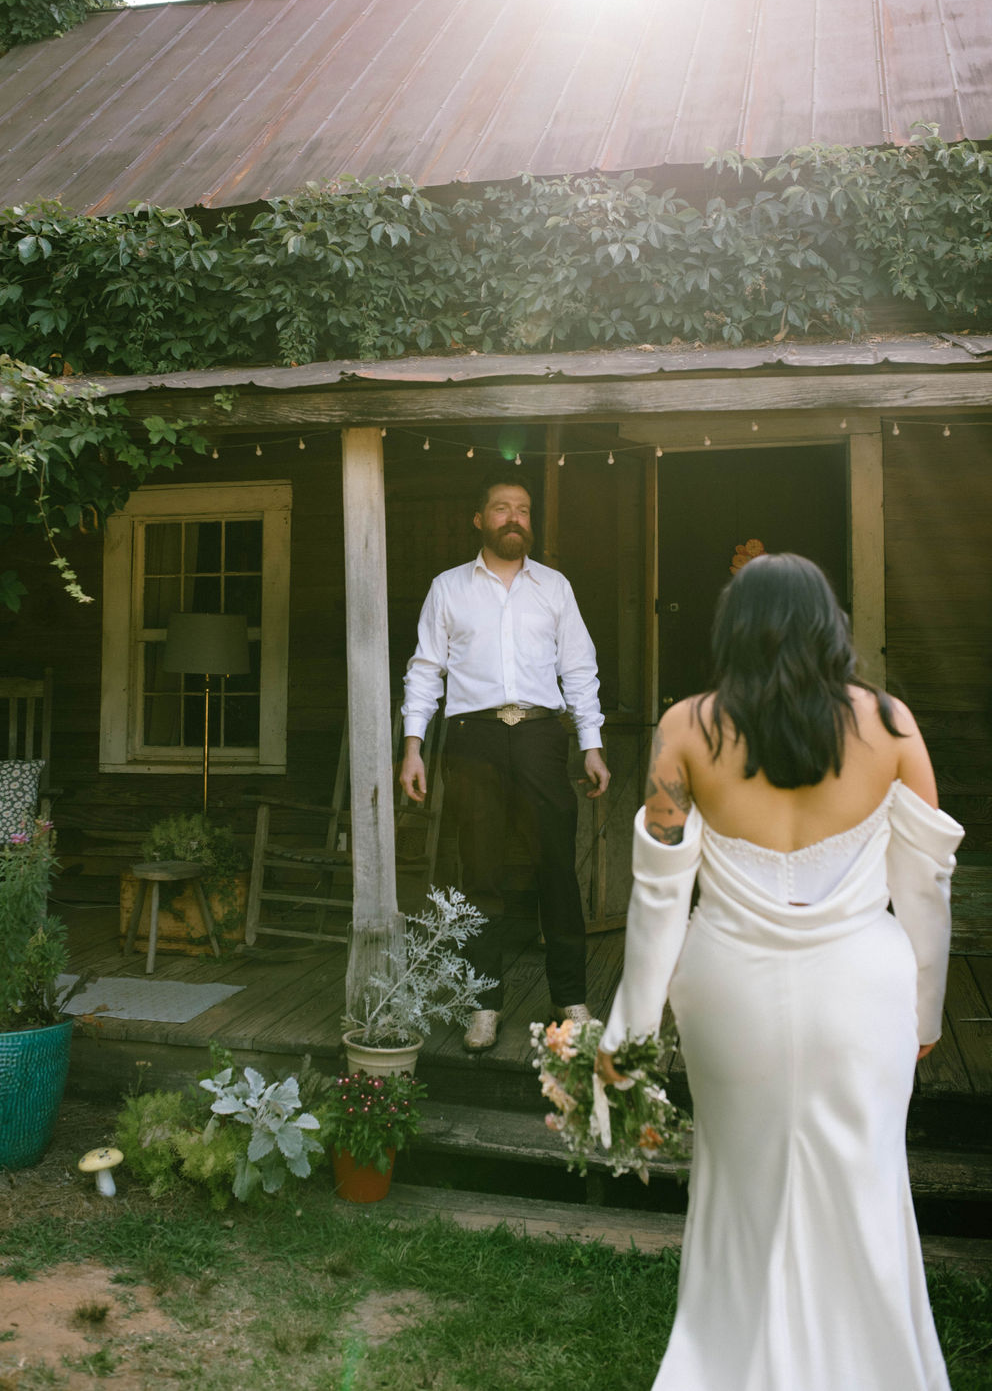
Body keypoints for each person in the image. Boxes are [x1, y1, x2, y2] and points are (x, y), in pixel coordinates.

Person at [596, 552, 963, 1391]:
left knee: (741, 1189)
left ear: (734, 628)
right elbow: (924, 891)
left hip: (731, 995)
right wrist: (925, 1015)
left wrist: (632, 1030)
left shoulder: (686, 727)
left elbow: (659, 895)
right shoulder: (893, 727)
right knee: (866, 1188)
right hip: (862, 997)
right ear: (828, 626)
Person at [399, 470, 610, 1051]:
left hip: (543, 738)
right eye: (501, 508)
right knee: (480, 873)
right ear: (480, 519)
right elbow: (425, 671)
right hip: (473, 740)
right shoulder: (448, 588)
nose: (514, 517)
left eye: (522, 509)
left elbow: (580, 670)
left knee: (557, 869)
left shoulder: (555, 587)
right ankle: (484, 1003)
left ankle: (571, 997)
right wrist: (414, 746)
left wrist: (591, 745)